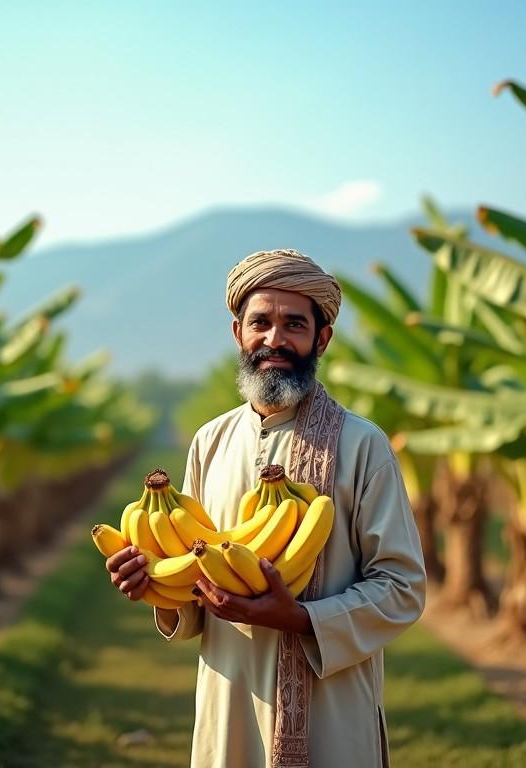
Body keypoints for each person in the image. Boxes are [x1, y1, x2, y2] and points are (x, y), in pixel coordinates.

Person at [105, 248, 426, 767]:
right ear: (238, 333)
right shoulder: (209, 443)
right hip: (228, 695)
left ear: (321, 338)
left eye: (293, 324)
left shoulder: (363, 446)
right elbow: (193, 580)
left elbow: (403, 586)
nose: (275, 340)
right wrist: (155, 590)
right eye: (261, 322)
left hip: (332, 707)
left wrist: (301, 618)